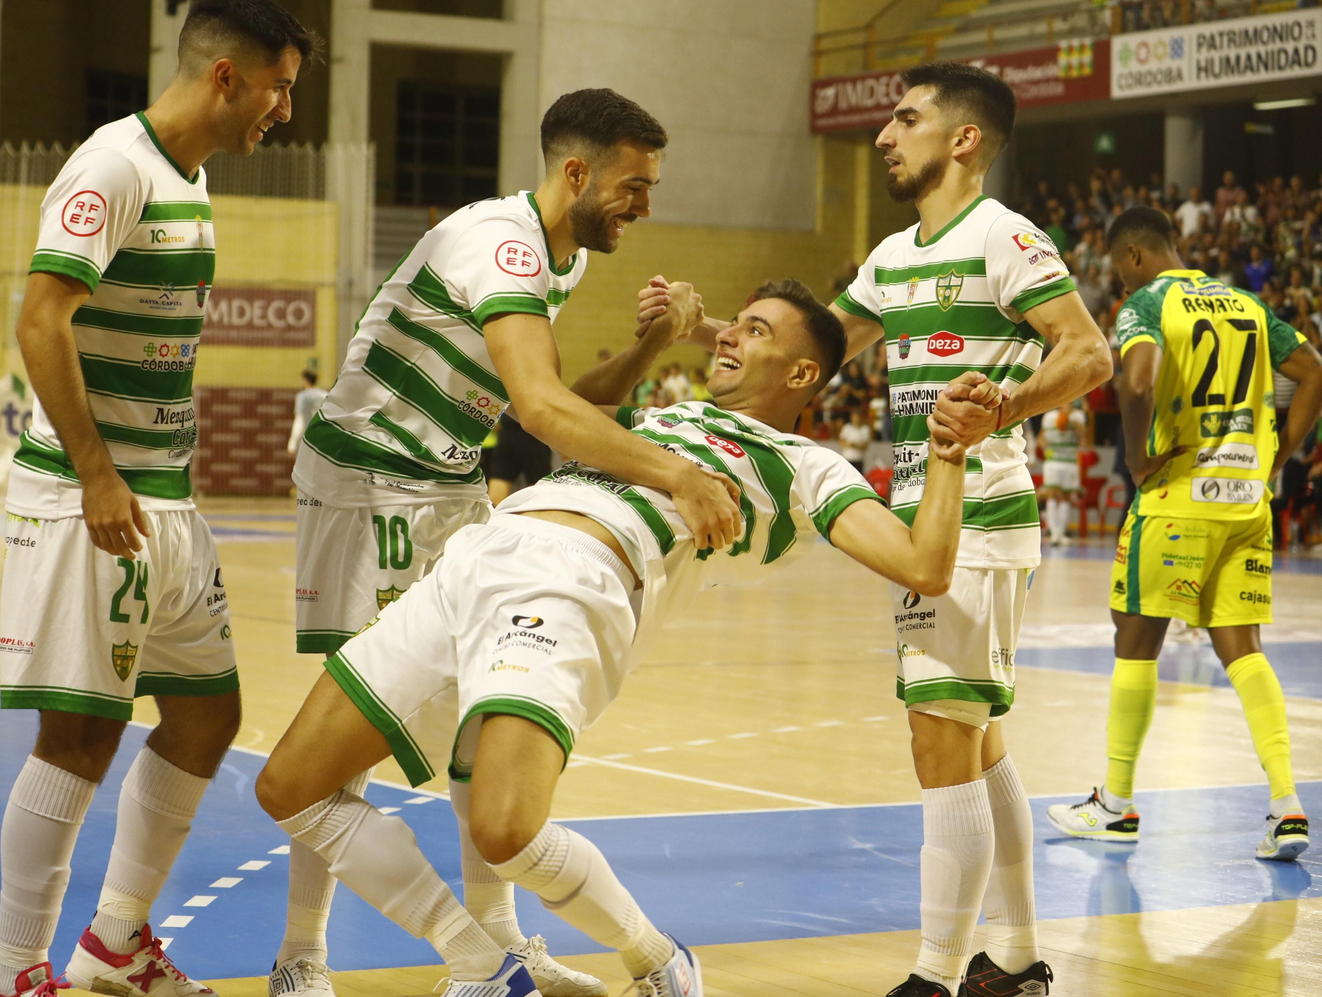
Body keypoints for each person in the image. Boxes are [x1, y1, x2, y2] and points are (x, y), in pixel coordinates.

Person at [255, 279, 1001, 997]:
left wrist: (947, 452)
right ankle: (479, 959)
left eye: (756, 330)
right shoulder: (664, 416)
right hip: (476, 555)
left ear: (802, 373)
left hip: (571, 582)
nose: (730, 336)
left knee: (504, 828)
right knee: (289, 785)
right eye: (735, 323)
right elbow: (559, 410)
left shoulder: (808, 466)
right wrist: (655, 340)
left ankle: (657, 957)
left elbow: (922, 566)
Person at [280, 88, 742, 997]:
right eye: (635, 186)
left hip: (447, 485)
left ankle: (498, 952)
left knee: (483, 719)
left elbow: (556, 399)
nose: (646, 205)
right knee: (343, 745)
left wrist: (654, 341)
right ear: (576, 172)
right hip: (369, 484)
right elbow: (541, 408)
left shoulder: (561, 258)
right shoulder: (503, 243)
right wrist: (676, 474)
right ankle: (302, 957)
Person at [0, 0, 316, 997]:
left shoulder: (190, 176)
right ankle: (17, 973)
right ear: (226, 76)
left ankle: (114, 942)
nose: (285, 109)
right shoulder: (113, 167)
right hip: (91, 500)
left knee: (208, 716)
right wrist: (96, 472)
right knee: (79, 736)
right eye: (279, 88)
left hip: (167, 504)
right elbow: (41, 318)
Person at [828, 62, 1112, 997]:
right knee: (979, 745)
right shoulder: (891, 255)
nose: (884, 135)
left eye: (905, 119)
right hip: (928, 526)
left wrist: (1005, 408)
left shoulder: (1005, 236)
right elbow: (814, 350)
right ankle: (1018, 959)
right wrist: (716, 333)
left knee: (938, 740)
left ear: (963, 139)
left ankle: (934, 975)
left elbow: (1088, 352)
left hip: (980, 523)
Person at [1047, 206, 1322, 860]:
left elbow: (1137, 380)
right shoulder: (1246, 305)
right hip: (1246, 501)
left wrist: (1136, 457)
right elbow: (1312, 371)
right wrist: (1280, 456)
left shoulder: (1146, 304)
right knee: (1244, 650)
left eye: (1118, 270)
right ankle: (1287, 805)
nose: (1120, 282)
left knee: (1135, 640)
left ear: (1134, 257)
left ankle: (1115, 804)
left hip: (1177, 499)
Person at [1037, 402, 1087, 546]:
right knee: (1052, 494)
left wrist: (1071, 421)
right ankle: (1054, 534)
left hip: (1070, 461)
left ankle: (1061, 533)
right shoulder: (1049, 416)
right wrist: (1045, 446)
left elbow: (1084, 439)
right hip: (1053, 462)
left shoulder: (1078, 416)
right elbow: (1041, 438)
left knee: (1066, 497)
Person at [287, 370, 326, 457]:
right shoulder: (325, 395)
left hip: (306, 438)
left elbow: (300, 420)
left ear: (306, 380)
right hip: (322, 437)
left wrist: (292, 444)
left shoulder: (303, 396)